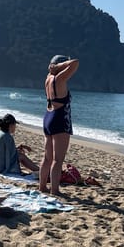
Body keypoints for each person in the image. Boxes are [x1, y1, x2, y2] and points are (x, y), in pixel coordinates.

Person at [39, 55, 79, 195]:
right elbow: (75, 63)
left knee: (47, 158)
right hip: (59, 118)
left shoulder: (48, 79)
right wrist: (59, 66)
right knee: (57, 159)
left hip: (48, 117)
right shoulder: (60, 79)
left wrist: (54, 67)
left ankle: (42, 186)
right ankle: (55, 190)